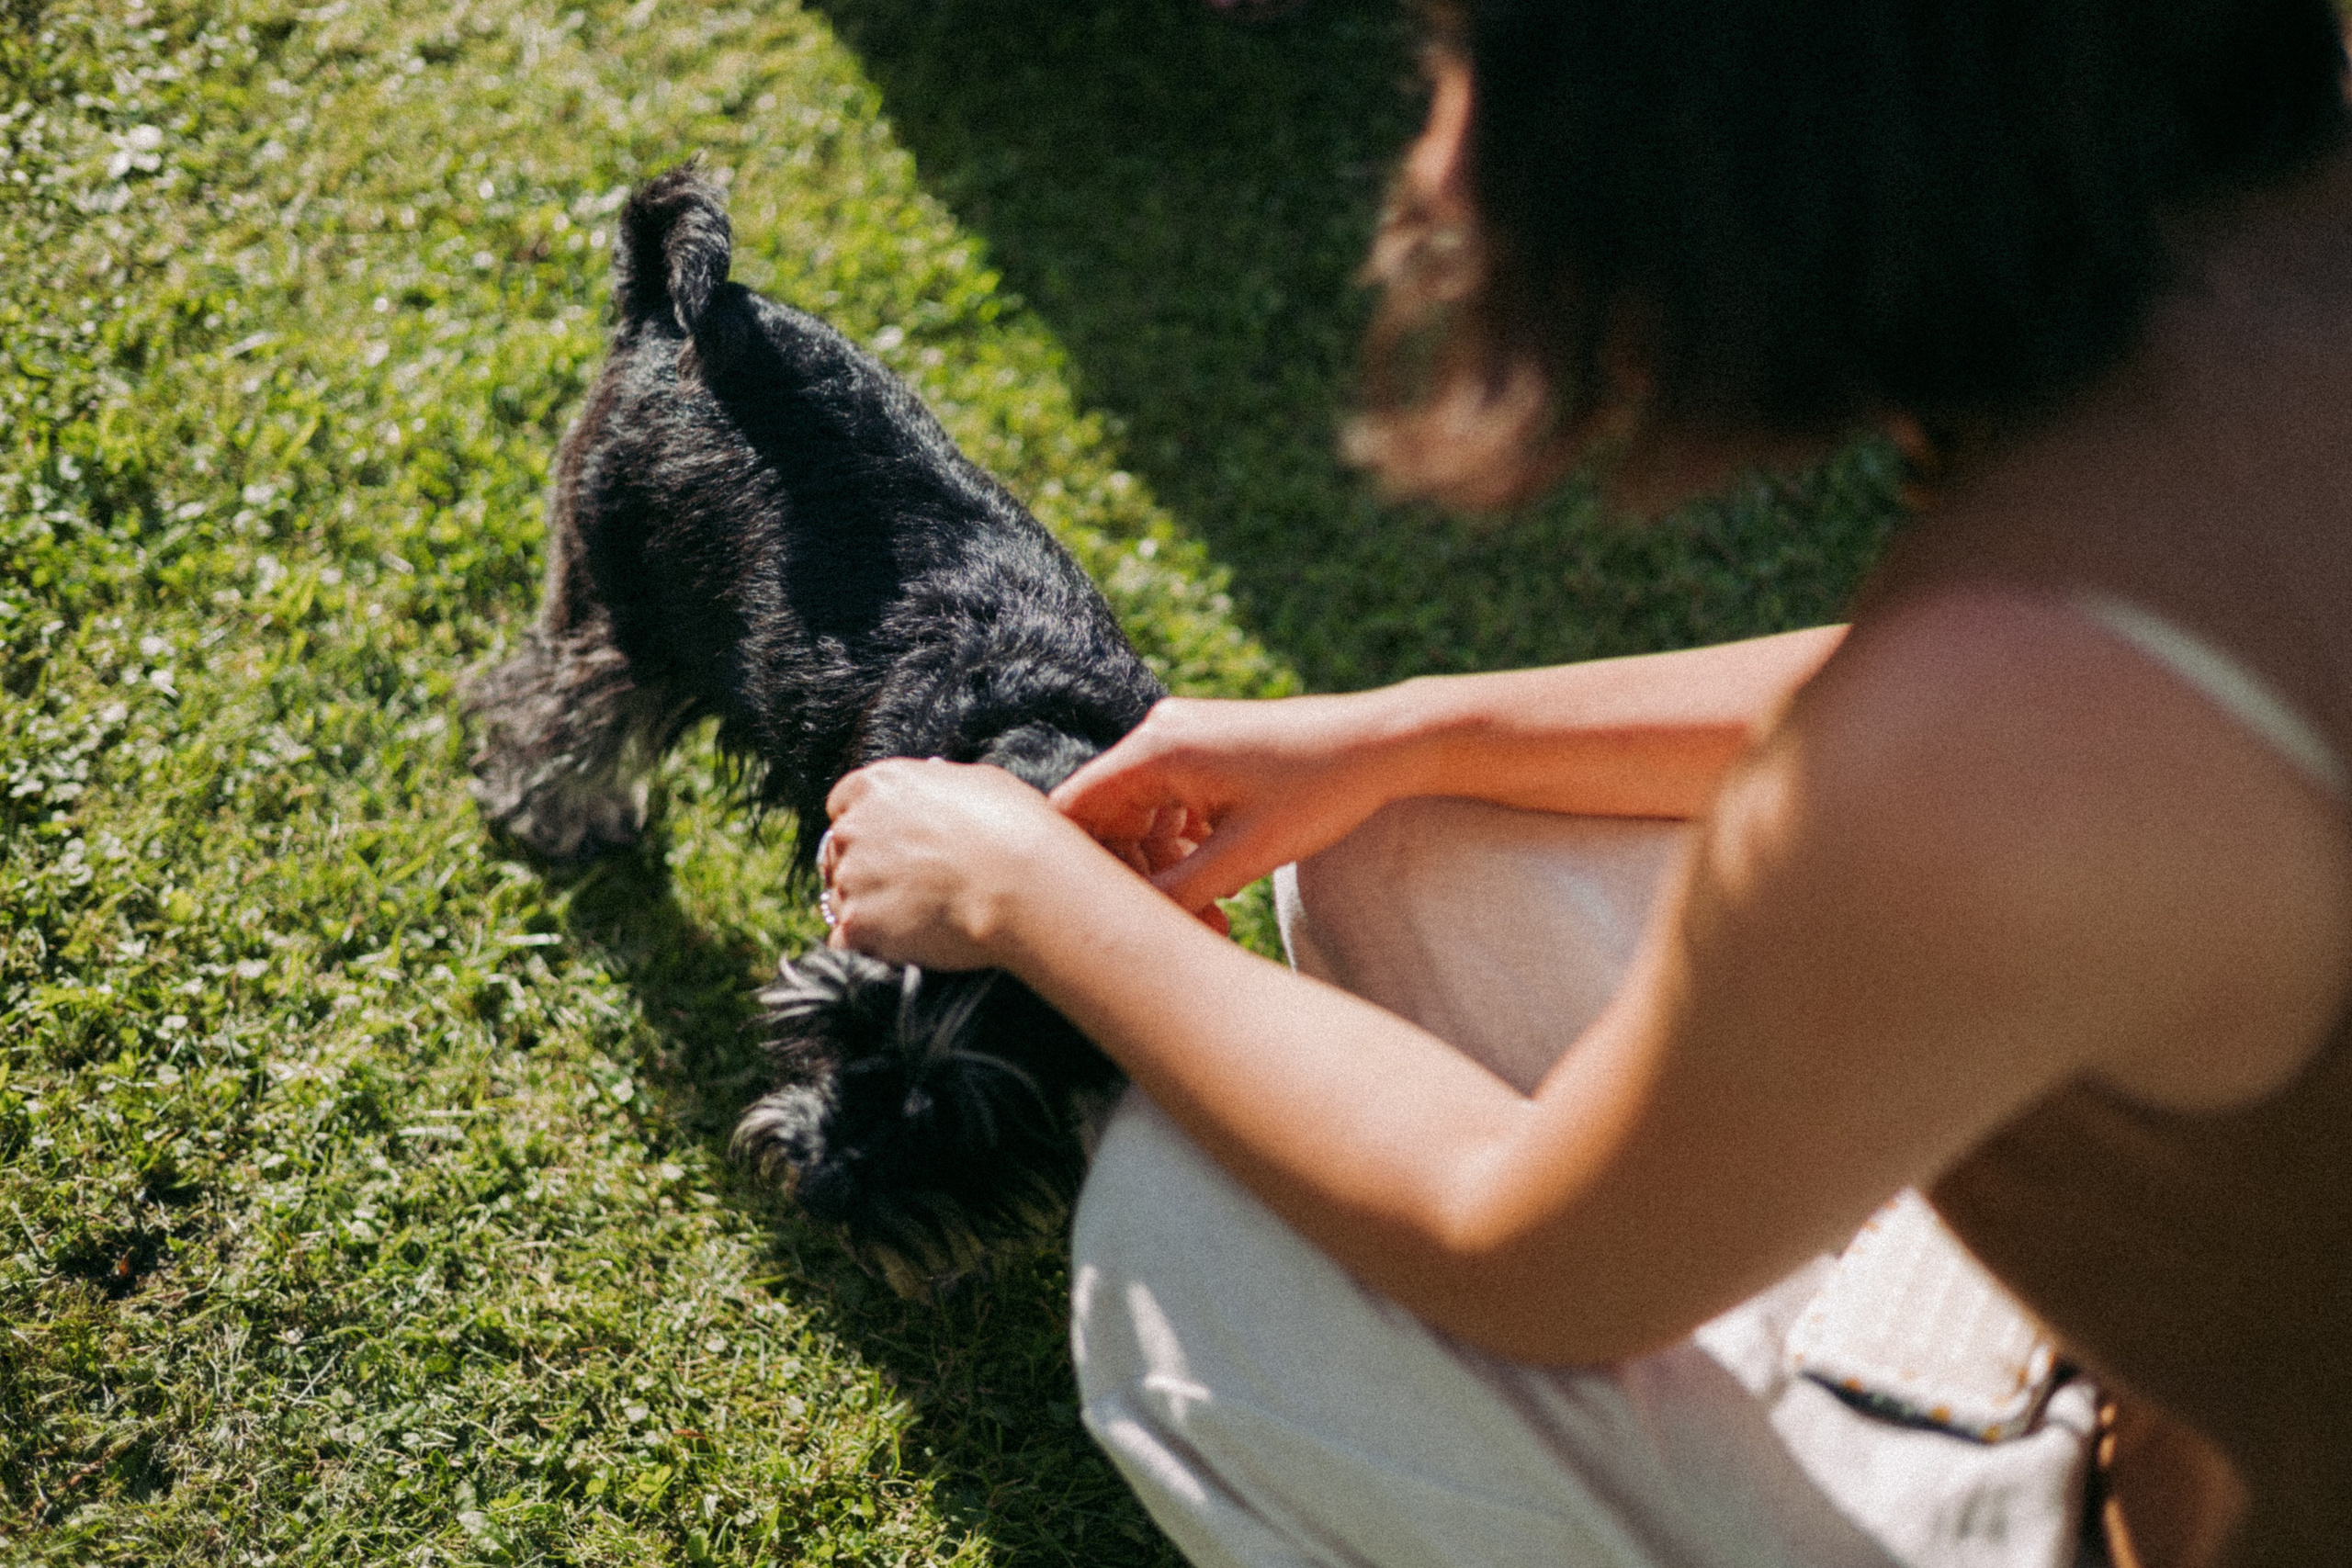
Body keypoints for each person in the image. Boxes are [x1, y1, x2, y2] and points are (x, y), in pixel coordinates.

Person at [812, 3, 2352, 1564]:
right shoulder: (2280, 265)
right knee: (1406, 840)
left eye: (1475, 51)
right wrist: (1415, 733)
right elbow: (2013, 703)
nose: (1435, 146)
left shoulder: (1991, 732)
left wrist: (1030, 895)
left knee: (1189, 1247)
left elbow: (1527, 1250)